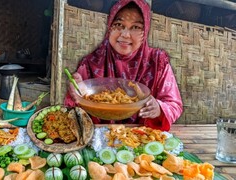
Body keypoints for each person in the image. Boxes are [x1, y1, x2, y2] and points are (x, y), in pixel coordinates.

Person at [64, 0, 183, 131]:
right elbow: (74, 112)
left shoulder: (157, 62)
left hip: (141, 137)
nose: (125, 35)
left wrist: (159, 108)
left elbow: (174, 105)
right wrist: (76, 94)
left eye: (136, 27)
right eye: (119, 25)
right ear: (110, 27)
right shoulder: (91, 62)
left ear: (146, 30)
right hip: (100, 137)